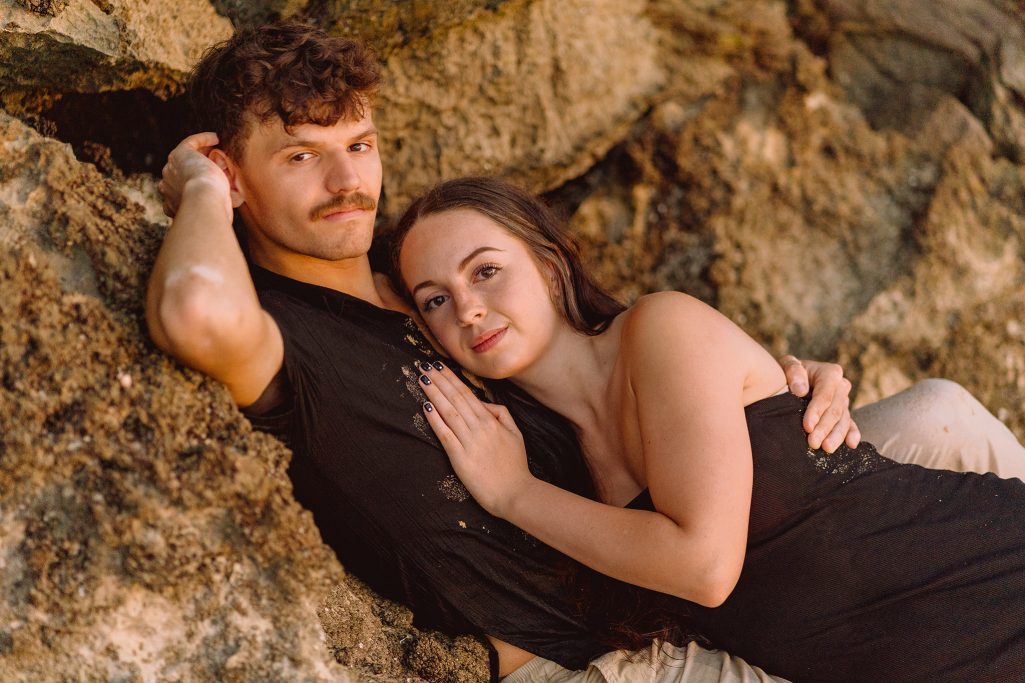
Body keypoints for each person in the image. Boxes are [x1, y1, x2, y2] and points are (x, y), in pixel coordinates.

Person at [147, 22, 1023, 683]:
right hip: (612, 653)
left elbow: (610, 369)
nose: (347, 183)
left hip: (706, 575)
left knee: (941, 415)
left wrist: (780, 380)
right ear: (235, 173)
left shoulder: (417, 282)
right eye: (301, 155)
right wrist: (195, 191)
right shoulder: (293, 339)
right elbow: (194, 307)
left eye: (360, 147)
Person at [389, 175, 1025, 682]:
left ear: (550, 264)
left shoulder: (660, 329)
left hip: (989, 582)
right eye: (435, 299)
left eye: (485, 270)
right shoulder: (555, 469)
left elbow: (705, 566)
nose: (468, 308)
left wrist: (514, 494)